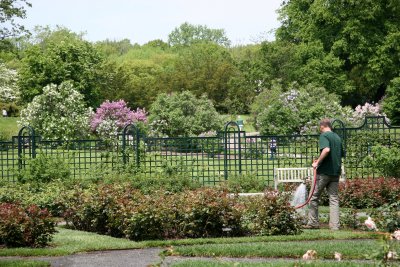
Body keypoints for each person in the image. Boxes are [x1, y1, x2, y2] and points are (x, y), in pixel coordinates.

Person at [304, 118, 344, 230]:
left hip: (324, 173)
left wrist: (317, 162)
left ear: (322, 126)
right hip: (335, 172)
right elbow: (340, 154)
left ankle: (313, 223)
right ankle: (335, 226)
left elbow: (326, 150)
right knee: (334, 199)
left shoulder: (324, 136)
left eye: (319, 128)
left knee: (313, 197)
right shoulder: (337, 137)